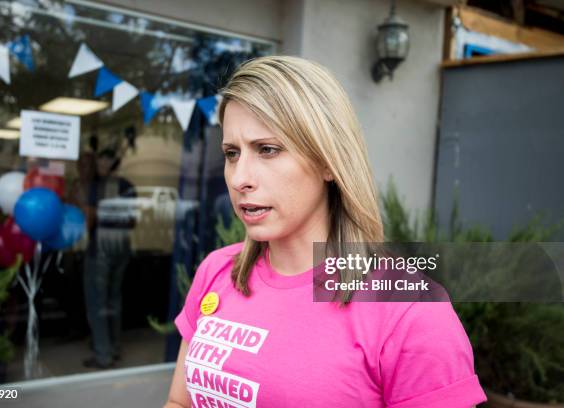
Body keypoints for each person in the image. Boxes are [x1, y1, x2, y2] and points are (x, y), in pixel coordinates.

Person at [164, 56, 487, 407]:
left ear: (328, 162)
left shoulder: (411, 310)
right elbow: (180, 402)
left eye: (267, 150)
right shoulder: (217, 271)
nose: (240, 178)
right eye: (231, 153)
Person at [82, 148, 135, 369]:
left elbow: (89, 220)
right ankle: (114, 349)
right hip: (122, 246)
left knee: (97, 302)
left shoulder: (98, 186)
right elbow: (133, 221)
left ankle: (103, 354)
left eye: (101, 161)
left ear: (106, 164)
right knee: (114, 299)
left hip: (101, 247)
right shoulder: (128, 187)